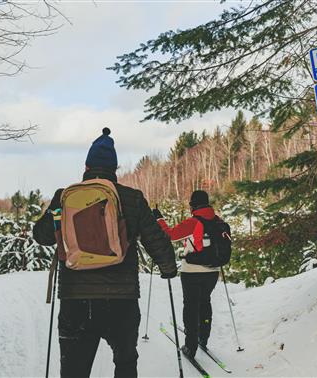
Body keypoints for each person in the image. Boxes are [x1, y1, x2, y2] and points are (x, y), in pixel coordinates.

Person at [34, 128, 177, 378]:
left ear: (86, 166)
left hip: (76, 301)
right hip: (121, 301)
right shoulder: (132, 199)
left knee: (74, 370)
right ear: (114, 169)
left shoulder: (64, 197)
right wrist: (168, 268)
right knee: (125, 364)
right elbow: (156, 240)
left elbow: (42, 235)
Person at [152, 190, 220, 359]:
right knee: (205, 302)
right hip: (213, 272)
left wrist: (159, 219)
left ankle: (190, 346)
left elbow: (171, 234)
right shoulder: (218, 221)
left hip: (192, 272)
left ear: (193, 206)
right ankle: (203, 338)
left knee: (191, 307)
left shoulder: (194, 222)